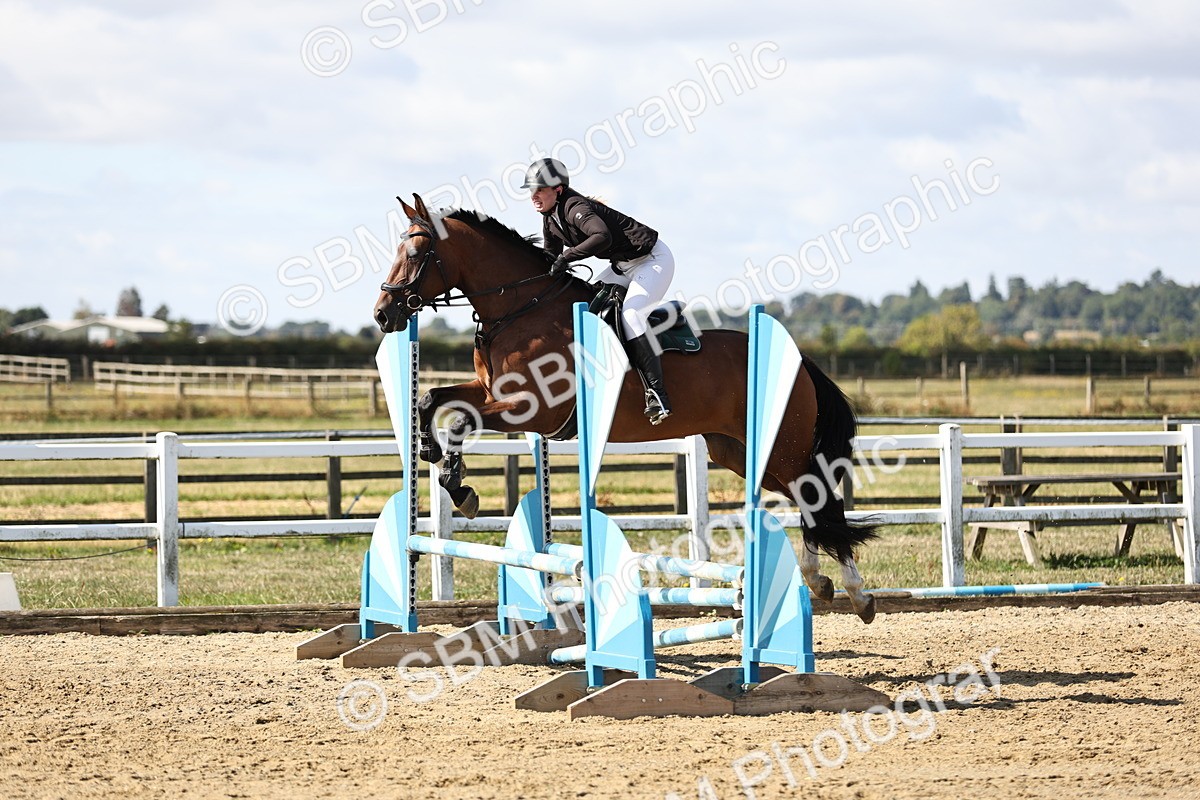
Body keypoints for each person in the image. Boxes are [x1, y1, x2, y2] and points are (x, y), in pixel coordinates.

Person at [522, 157, 675, 425]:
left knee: (631, 316)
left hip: (652, 261)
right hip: (622, 266)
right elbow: (550, 259)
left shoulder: (574, 206)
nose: (534, 196)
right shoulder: (550, 218)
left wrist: (567, 257)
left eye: (540, 190)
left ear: (557, 189)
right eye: (531, 191)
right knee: (588, 304)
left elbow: (601, 236)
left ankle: (657, 395)